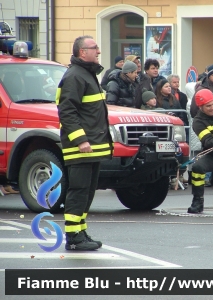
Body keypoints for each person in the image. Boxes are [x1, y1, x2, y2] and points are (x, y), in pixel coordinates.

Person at [57, 35, 113, 250]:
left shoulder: (87, 75)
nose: (98, 51)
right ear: (82, 52)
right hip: (81, 147)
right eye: (94, 48)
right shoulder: (74, 76)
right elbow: (67, 112)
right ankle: (73, 237)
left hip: (93, 146)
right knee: (79, 190)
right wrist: (80, 140)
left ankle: (80, 231)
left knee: (87, 191)